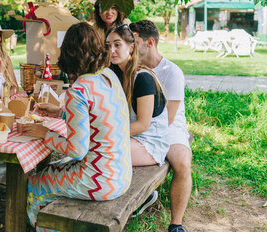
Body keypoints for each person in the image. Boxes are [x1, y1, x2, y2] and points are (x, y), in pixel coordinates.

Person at [23, 22, 132, 230]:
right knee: (56, 167)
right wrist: (60, 112)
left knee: (35, 183)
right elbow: (97, 115)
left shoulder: (79, 90)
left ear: (68, 55)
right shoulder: (109, 76)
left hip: (101, 181)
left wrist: (45, 133)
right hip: (121, 173)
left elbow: (77, 149)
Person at [130, 20, 192, 232]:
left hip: (168, 127)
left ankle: (176, 223)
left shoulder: (171, 71)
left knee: (183, 162)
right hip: (139, 123)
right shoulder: (131, 68)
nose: (130, 46)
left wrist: (141, 132)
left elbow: (169, 118)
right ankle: (145, 195)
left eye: (134, 41)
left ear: (149, 43)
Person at [105, 23, 170, 217]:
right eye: (108, 46)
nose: (112, 50)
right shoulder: (118, 74)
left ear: (131, 47)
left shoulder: (142, 78)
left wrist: (109, 133)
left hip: (150, 142)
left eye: (117, 45)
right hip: (133, 138)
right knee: (94, 148)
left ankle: (141, 197)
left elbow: (143, 124)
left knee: (102, 151)